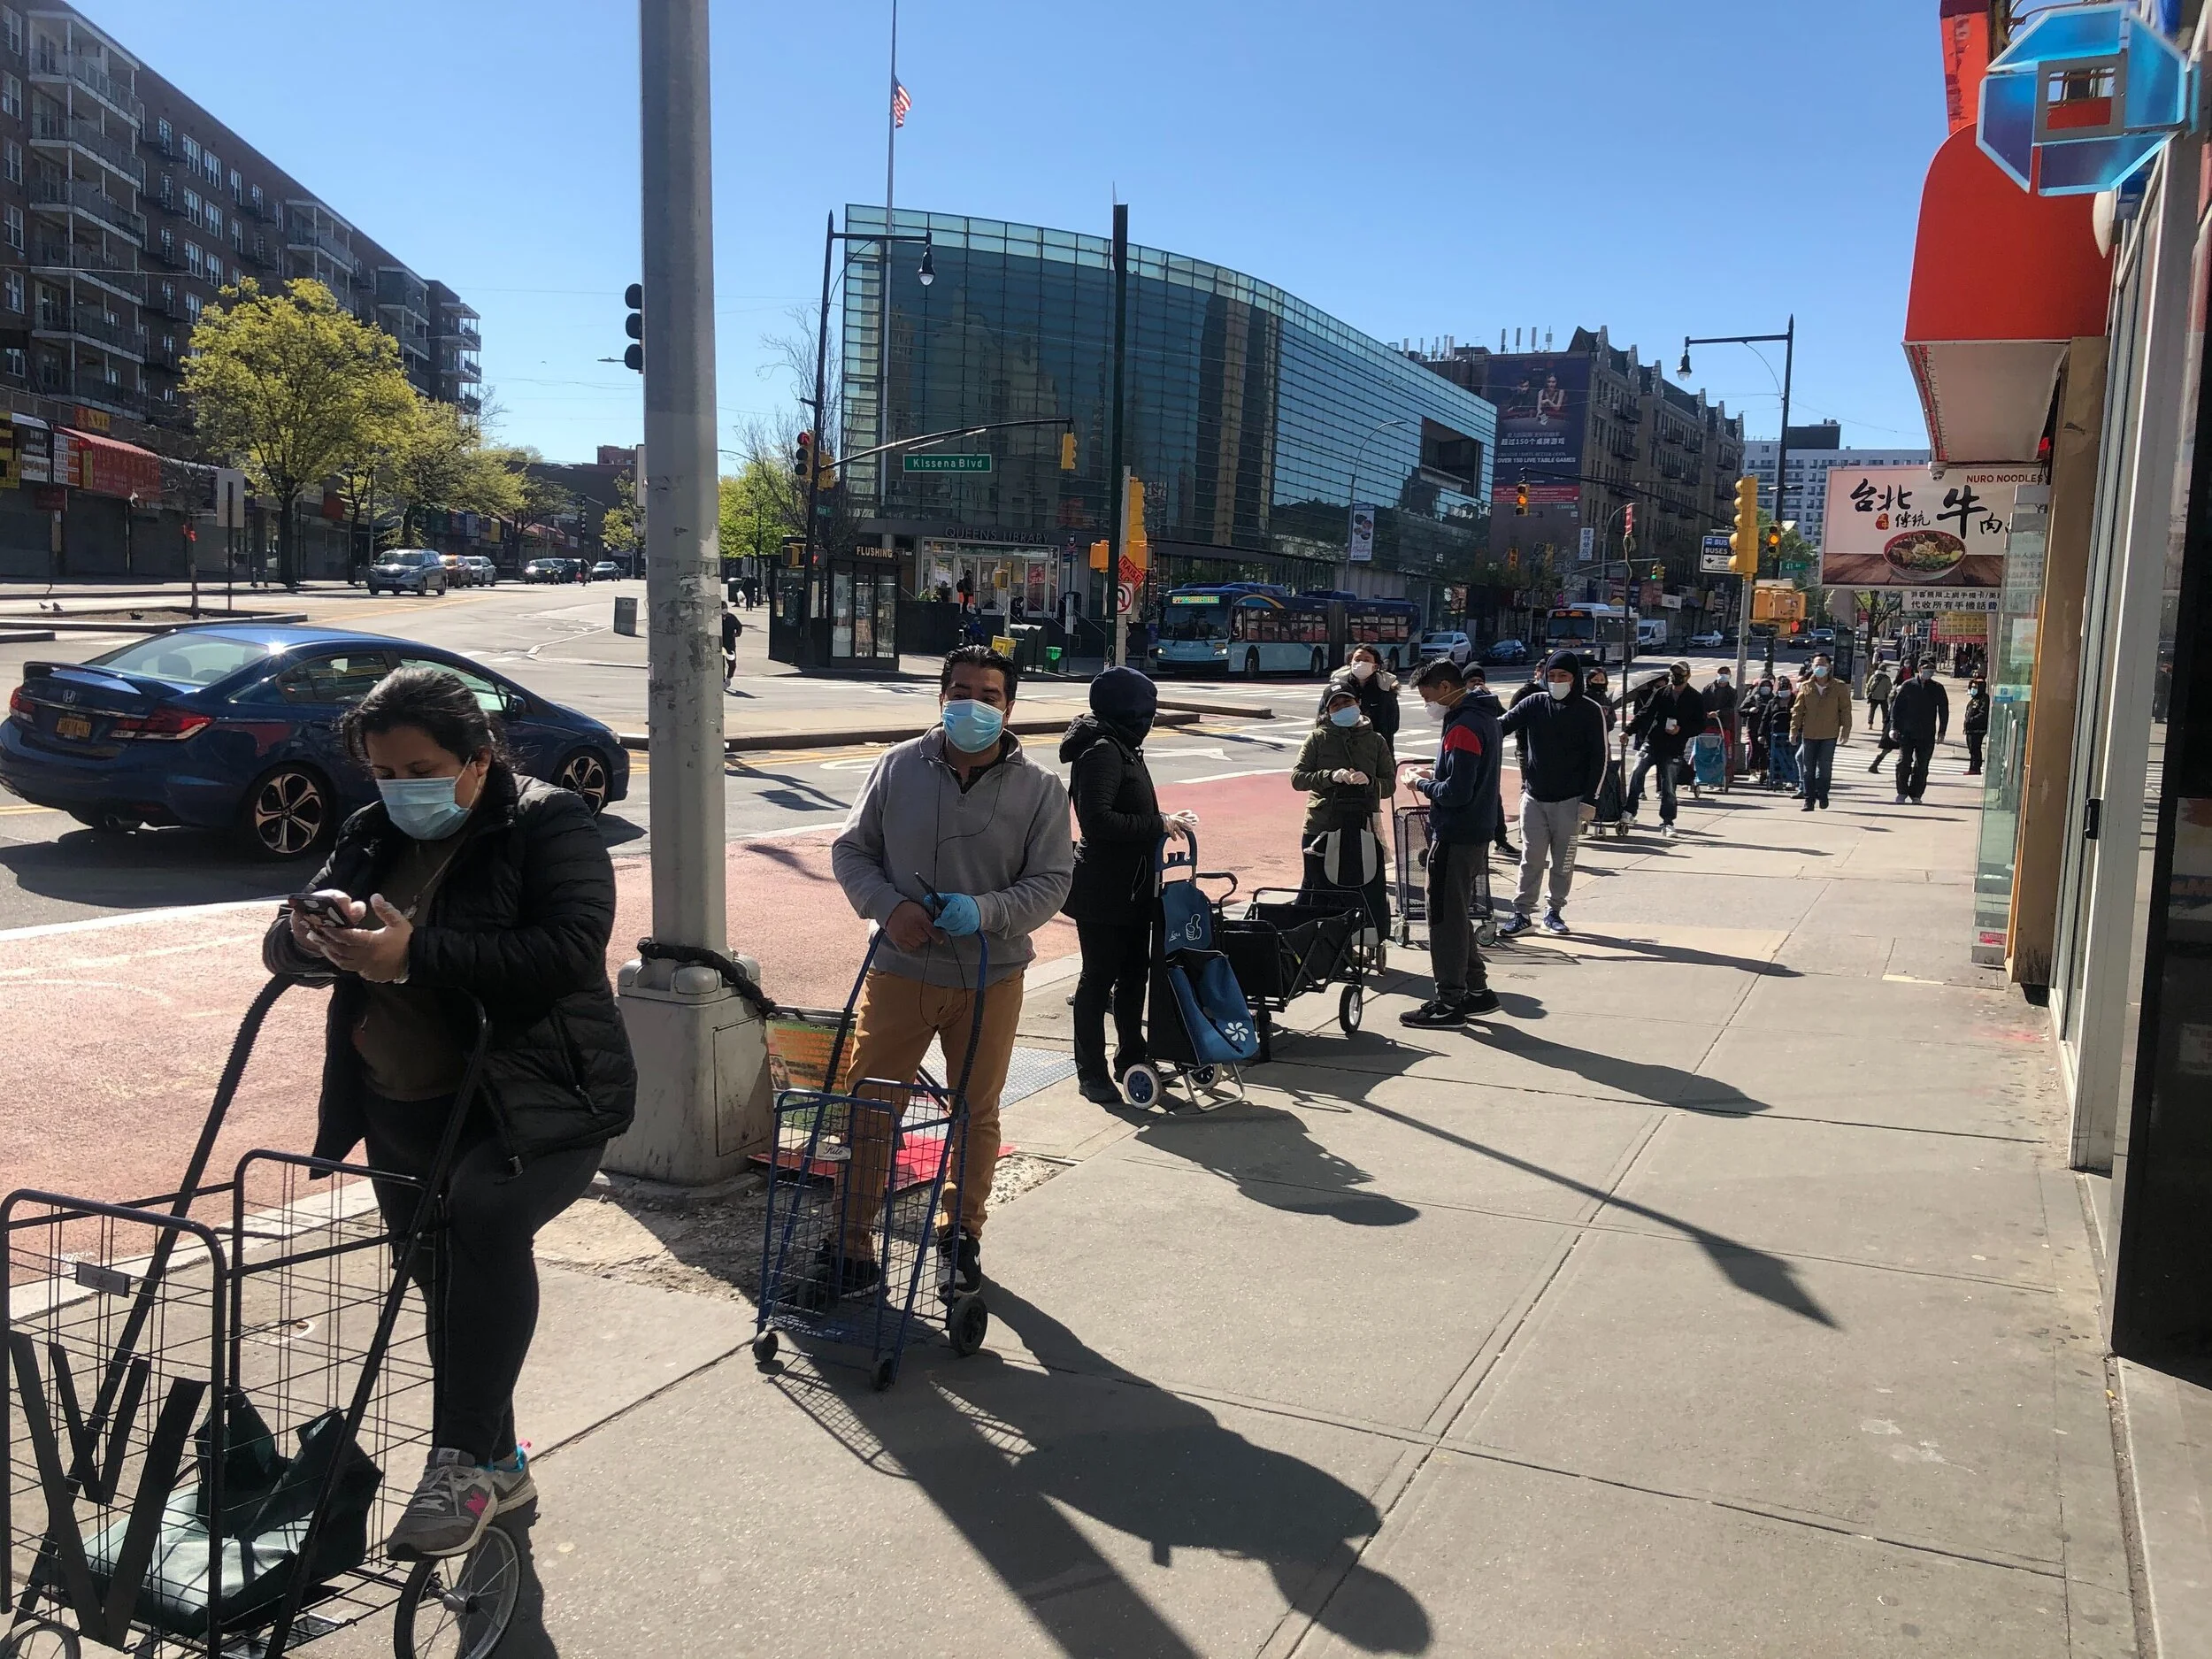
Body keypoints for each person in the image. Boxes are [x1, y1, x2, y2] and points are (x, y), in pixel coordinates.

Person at [263, 666, 635, 1562]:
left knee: (484, 1220)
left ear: (478, 760)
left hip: (536, 1096)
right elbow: (283, 944)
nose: (401, 790)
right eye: (384, 773)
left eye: (420, 769)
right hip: (402, 1100)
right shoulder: (369, 830)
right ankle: (499, 1456)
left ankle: (462, 1462)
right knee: (441, 1280)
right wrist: (313, 933)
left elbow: (567, 949)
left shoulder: (549, 824)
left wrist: (414, 954)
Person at [829, 645, 1074, 1298]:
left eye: (989, 695)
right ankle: (850, 1244)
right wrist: (888, 907)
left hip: (990, 975)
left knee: (976, 1112)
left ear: (1009, 706)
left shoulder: (1042, 791)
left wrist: (987, 910)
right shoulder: (896, 769)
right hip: (900, 969)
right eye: (960, 691)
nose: (973, 704)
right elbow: (853, 851)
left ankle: (958, 1235)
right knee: (870, 1105)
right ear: (941, 698)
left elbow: (1053, 881)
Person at [1063, 667, 1193, 1106]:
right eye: (1147, 710)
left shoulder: (1124, 746)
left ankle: (1132, 1056)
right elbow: (1096, 821)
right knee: (1098, 980)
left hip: (1137, 886)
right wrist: (1158, 823)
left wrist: (1158, 822)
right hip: (1104, 888)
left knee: (1136, 976)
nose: (1151, 719)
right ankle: (1091, 1072)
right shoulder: (1101, 751)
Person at [1400, 658, 1503, 1027]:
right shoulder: (1483, 717)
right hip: (1475, 830)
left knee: (1443, 917)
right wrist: (1437, 772)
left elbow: (1456, 792)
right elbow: (1465, 775)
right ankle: (1476, 990)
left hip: (1456, 832)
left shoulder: (1463, 725)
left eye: (1428, 696)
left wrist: (1420, 784)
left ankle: (1448, 1002)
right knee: (1456, 913)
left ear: (1446, 688)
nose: (1428, 704)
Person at [1495, 651, 1608, 937]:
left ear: (1575, 679)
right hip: (1534, 796)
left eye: (1563, 676)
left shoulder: (1589, 710)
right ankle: (1522, 913)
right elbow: (1501, 726)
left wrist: (1590, 800)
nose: (1556, 681)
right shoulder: (1534, 703)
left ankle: (1554, 910)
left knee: (1563, 860)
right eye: (1552, 676)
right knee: (1531, 857)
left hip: (1570, 800)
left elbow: (1600, 758)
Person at [1292, 680, 1399, 940]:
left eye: (1347, 702)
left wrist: (1370, 782)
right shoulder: (1317, 738)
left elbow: (1389, 785)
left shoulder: (1375, 740)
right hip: (1322, 824)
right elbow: (1298, 778)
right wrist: (1330, 776)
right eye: (1335, 705)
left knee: (1365, 883)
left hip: (1363, 824)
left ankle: (1369, 936)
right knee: (1318, 884)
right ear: (1327, 712)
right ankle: (1314, 942)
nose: (1342, 708)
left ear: (1358, 703)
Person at [1625, 661, 1705, 837]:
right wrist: (1628, 730)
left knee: (1668, 786)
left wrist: (1681, 730)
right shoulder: (1662, 692)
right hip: (1653, 741)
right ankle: (1629, 811)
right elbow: (1645, 712)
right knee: (1637, 772)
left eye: (1679, 674)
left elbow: (1700, 725)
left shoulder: (1695, 697)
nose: (1675, 677)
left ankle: (1667, 822)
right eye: (1673, 673)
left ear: (1688, 676)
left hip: (1674, 747)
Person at [1463, 664, 1518, 861]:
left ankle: (1500, 840)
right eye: (1472, 681)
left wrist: (1490, 699)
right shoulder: (1460, 704)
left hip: (1489, 759)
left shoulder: (1489, 701)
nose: (1477, 685)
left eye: (1480, 681)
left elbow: (1505, 722)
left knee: (1494, 798)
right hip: (1469, 758)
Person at [1788, 651, 1852, 811]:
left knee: (1824, 768)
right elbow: (1797, 710)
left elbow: (1845, 710)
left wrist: (1846, 731)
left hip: (1829, 734)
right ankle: (1809, 800)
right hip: (1809, 733)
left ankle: (1822, 793)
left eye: (1822, 664)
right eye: (1816, 665)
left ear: (1829, 667)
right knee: (1808, 768)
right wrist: (1793, 730)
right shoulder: (1806, 686)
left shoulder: (1839, 686)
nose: (1819, 668)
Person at [1888, 657, 1950, 803]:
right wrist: (1893, 727)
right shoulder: (1908, 685)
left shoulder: (1937, 688)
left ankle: (1916, 795)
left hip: (1927, 733)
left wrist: (1942, 730)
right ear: (1920, 669)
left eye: (1932, 669)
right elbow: (1896, 708)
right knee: (1903, 762)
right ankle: (1902, 792)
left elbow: (1943, 710)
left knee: (1922, 765)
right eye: (1926, 669)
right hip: (1906, 732)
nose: (1929, 672)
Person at [1317, 643, 1401, 743]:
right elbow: (1322, 718)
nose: (1361, 663)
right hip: (1340, 746)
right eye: (1357, 659)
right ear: (1350, 663)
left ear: (1375, 666)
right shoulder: (1336, 688)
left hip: (1376, 748)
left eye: (1366, 660)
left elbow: (1392, 724)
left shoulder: (1386, 688)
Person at [1704, 665, 1740, 786]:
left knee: (1723, 752)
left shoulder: (1732, 692)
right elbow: (1700, 703)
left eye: (1726, 673)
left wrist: (1718, 713)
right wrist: (1706, 714)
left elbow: (1731, 708)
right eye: (1721, 672)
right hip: (1708, 725)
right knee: (1705, 750)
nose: (1723, 675)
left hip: (1723, 725)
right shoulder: (1708, 688)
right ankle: (1703, 775)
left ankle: (1723, 776)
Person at [1770, 674, 1801, 792]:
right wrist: (1761, 734)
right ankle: (1776, 780)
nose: (1784, 690)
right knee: (1776, 758)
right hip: (1775, 734)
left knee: (1791, 758)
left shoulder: (1796, 700)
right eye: (1782, 688)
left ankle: (1792, 780)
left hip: (1791, 734)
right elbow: (1766, 717)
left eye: (1786, 687)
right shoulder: (1774, 701)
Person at [1963, 675, 1990, 775]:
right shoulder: (1974, 699)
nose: (1973, 689)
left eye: (1976, 687)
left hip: (1977, 729)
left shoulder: (1984, 699)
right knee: (1971, 749)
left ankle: (1975, 768)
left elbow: (1983, 714)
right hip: (1970, 729)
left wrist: (1971, 720)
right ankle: (1972, 767)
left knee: (1975, 749)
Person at [1863, 659, 1894, 742]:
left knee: (1872, 710)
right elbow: (1889, 688)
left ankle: (1870, 724)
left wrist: (1868, 693)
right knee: (1885, 712)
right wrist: (1888, 696)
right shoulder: (1886, 678)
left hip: (1874, 697)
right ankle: (1884, 726)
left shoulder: (1874, 676)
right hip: (1883, 698)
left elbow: (1869, 685)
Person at [720, 602, 741, 692]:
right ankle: (722, 681)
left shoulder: (731, 618)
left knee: (732, 663)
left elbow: (739, 626)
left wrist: (737, 634)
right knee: (720, 665)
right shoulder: (716, 618)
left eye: (725, 607)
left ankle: (728, 678)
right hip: (720, 644)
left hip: (730, 645)